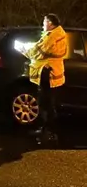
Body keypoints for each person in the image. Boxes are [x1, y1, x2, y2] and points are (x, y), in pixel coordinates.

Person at [21, 14, 67, 145]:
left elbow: (36, 52)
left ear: (51, 24)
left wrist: (23, 50)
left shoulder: (51, 37)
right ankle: (48, 131)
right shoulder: (58, 34)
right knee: (49, 104)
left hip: (48, 75)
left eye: (45, 22)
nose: (43, 24)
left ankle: (48, 133)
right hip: (53, 75)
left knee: (46, 105)